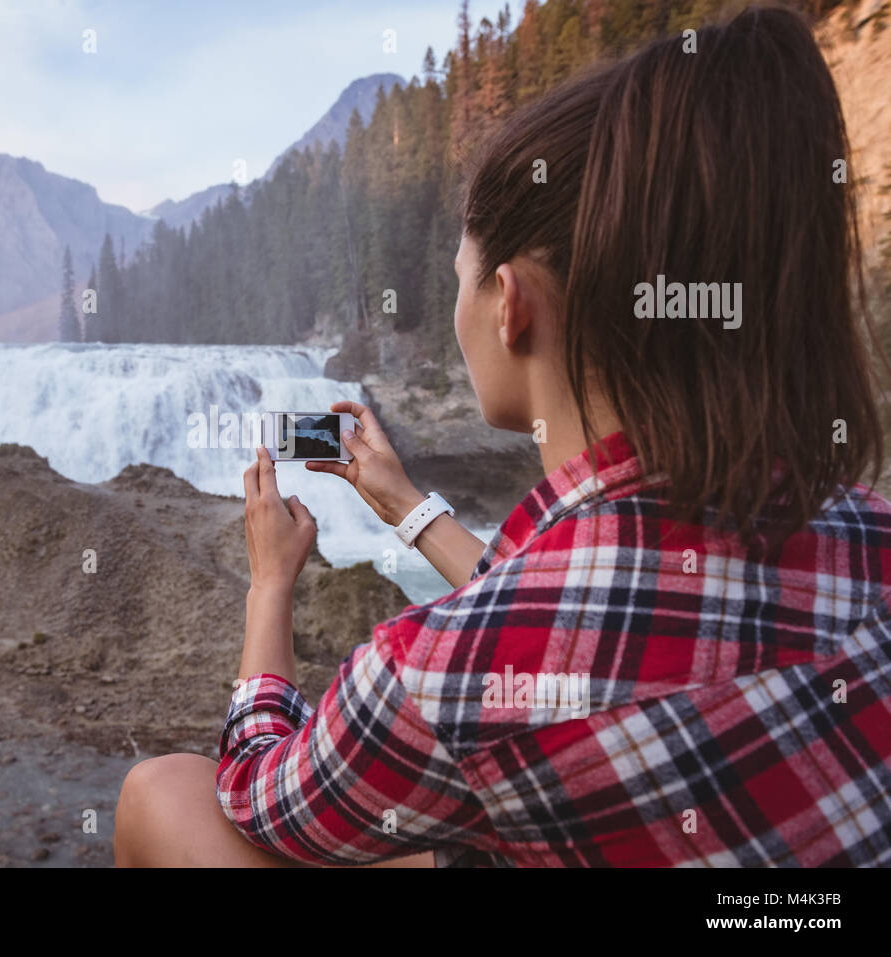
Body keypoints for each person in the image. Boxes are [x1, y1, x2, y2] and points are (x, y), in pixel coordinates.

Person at [113, 5, 891, 867]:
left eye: (460, 277)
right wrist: (403, 503)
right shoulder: (868, 531)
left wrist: (270, 584)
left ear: (510, 303)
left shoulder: (436, 675)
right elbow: (603, 614)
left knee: (163, 794)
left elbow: (258, 789)